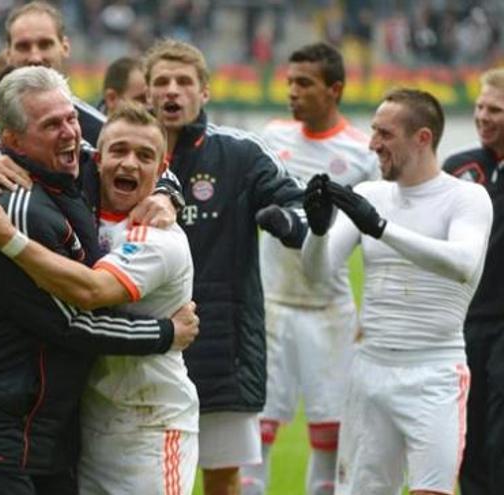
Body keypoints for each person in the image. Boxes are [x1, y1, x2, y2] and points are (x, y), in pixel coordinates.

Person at [0, 66, 199, 495]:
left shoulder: (75, 176)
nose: (70, 132)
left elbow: (130, 153)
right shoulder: (13, 207)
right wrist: (165, 332)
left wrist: (168, 191)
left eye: (71, 118)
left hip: (75, 414)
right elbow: (72, 318)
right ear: (12, 141)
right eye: (52, 124)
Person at [301, 88, 492, 495]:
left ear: (422, 138)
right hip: (369, 371)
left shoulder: (466, 197)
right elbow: (318, 273)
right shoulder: (371, 195)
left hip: (435, 373)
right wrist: (316, 233)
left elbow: (464, 263)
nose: (373, 144)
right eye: (373, 132)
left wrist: (381, 229)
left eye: (385, 134)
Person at [142, 39, 306, 495]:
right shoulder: (123, 153)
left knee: (222, 477)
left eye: (183, 82)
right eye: (161, 82)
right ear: (146, 94)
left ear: (205, 92)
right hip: (140, 346)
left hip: (223, 350)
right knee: (147, 477)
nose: (172, 91)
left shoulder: (239, 154)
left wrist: (288, 222)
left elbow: (299, 206)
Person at [244, 42, 379, 495]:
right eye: (289, 82)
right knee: (255, 436)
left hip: (330, 311)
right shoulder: (271, 136)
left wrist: (371, 313)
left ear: (335, 89)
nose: (292, 92)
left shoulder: (363, 154)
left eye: (304, 83)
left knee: (330, 439)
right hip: (270, 305)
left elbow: (378, 239)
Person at [443, 67, 504, 495]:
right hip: (465, 321)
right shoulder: (458, 168)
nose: (483, 116)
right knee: (469, 430)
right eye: (480, 107)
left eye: (495, 110)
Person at [0, 1, 107, 147]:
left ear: (65, 48)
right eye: (23, 46)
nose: (35, 57)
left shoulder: (100, 132)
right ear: (8, 53)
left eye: (45, 45)